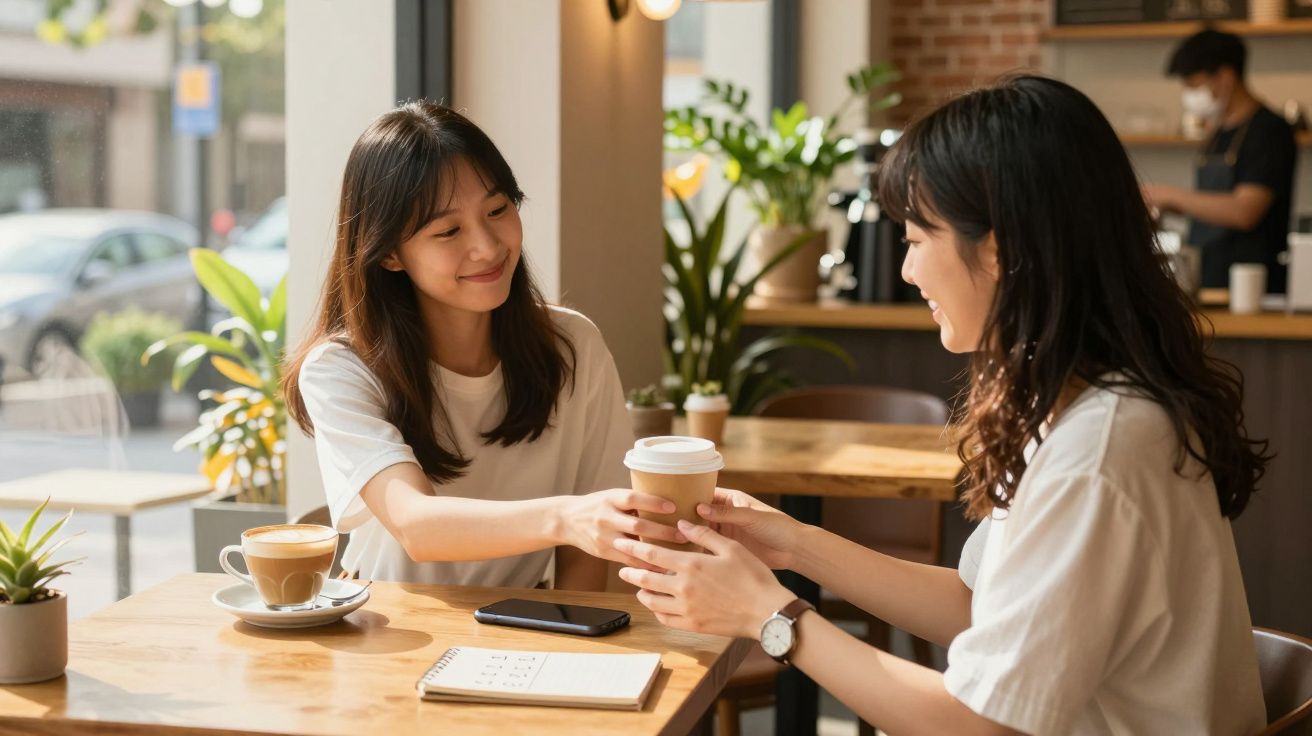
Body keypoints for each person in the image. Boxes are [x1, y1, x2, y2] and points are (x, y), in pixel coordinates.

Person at [616, 76, 1270, 735]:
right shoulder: (1084, 408)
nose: (906, 270)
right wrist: (795, 545)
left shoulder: (1095, 454)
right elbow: (976, 605)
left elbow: (978, 726)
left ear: (998, 248)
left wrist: (772, 616)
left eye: (918, 240)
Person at [282, 101, 681, 591]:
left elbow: (586, 553)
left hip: (522, 623)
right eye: (448, 230)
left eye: (498, 209)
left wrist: (576, 637)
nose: (489, 247)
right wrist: (565, 518)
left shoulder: (573, 347)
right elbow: (417, 525)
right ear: (388, 253)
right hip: (389, 631)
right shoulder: (340, 370)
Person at [1143, 29, 1297, 294]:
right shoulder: (1217, 134)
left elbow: (1244, 211)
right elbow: (1209, 205)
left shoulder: (1269, 130)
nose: (1189, 95)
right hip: (1209, 277)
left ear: (1225, 77)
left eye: (1194, 85)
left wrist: (1167, 194)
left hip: (1254, 286)